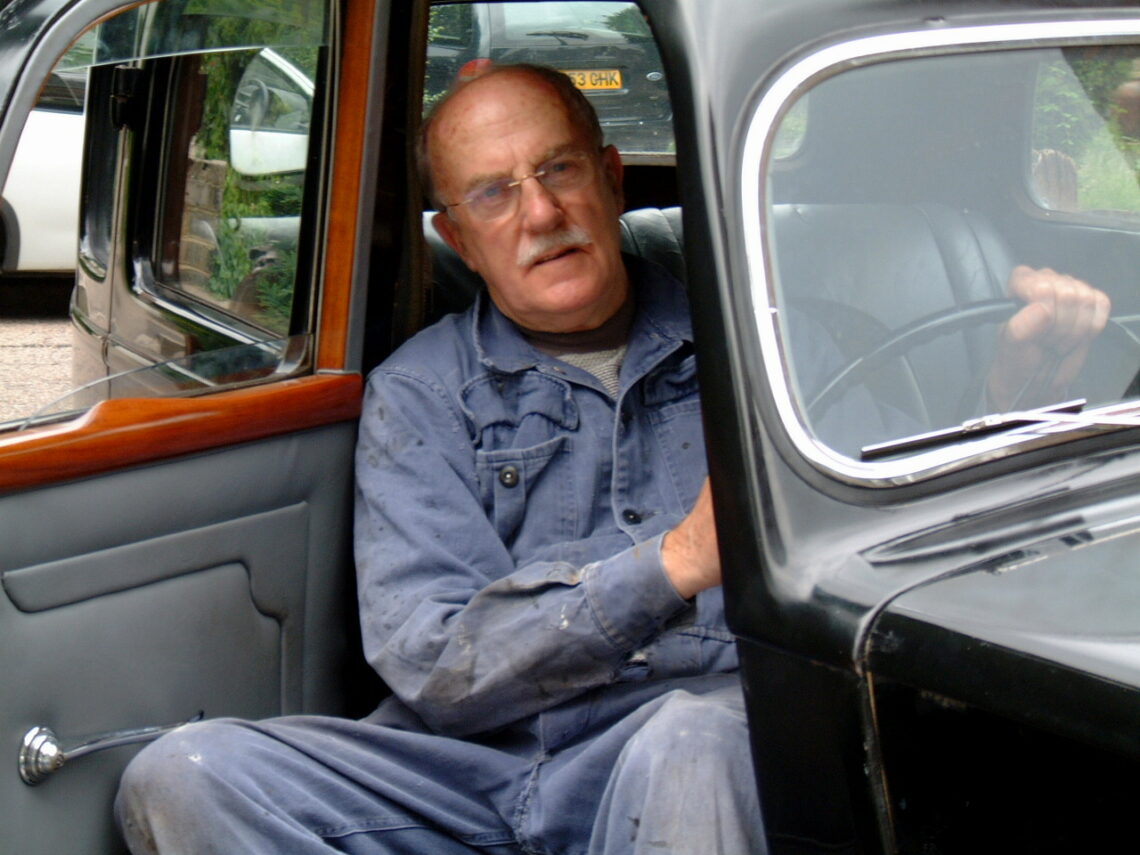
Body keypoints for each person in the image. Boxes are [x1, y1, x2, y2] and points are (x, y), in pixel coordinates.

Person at [114, 62, 1108, 854]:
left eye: (557, 170)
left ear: (612, 179)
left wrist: (1008, 396)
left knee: (697, 736)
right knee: (186, 775)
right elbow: (437, 662)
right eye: (494, 194)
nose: (539, 215)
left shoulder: (767, 346)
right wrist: (672, 564)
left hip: (702, 747)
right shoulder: (420, 393)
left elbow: (896, 523)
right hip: (478, 770)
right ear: (456, 235)